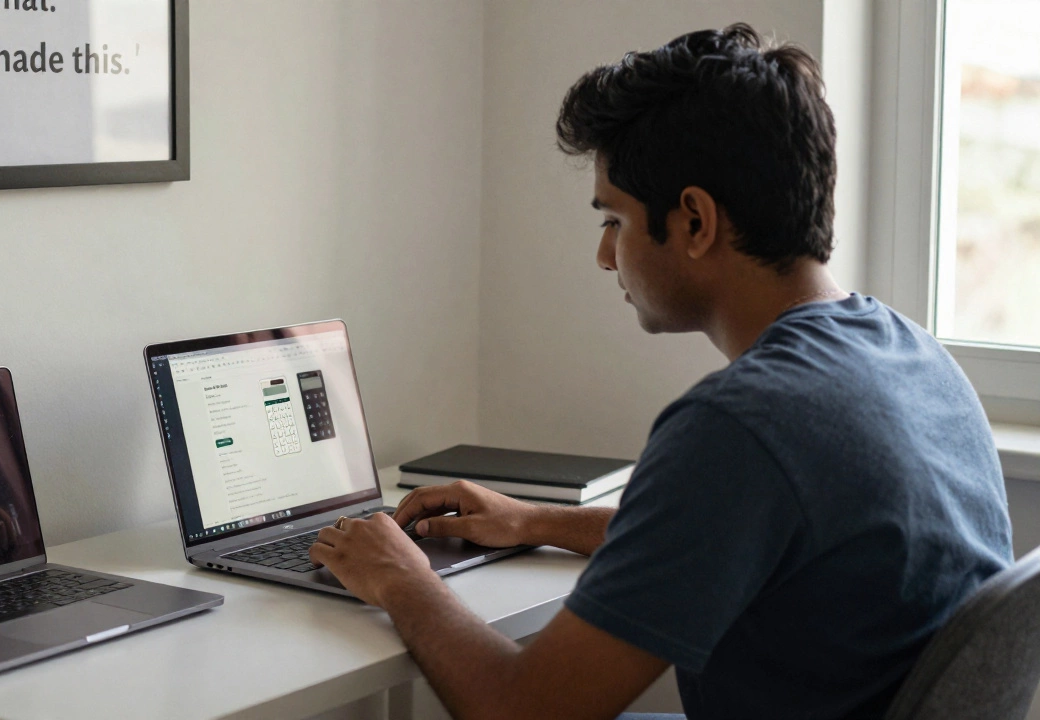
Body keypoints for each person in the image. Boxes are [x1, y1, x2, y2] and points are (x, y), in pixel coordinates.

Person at [308, 23, 1014, 720]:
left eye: (613, 220)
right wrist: (536, 520)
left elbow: (520, 710)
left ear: (696, 222)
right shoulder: (913, 356)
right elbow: (739, 539)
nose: (605, 257)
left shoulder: (741, 425)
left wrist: (399, 577)